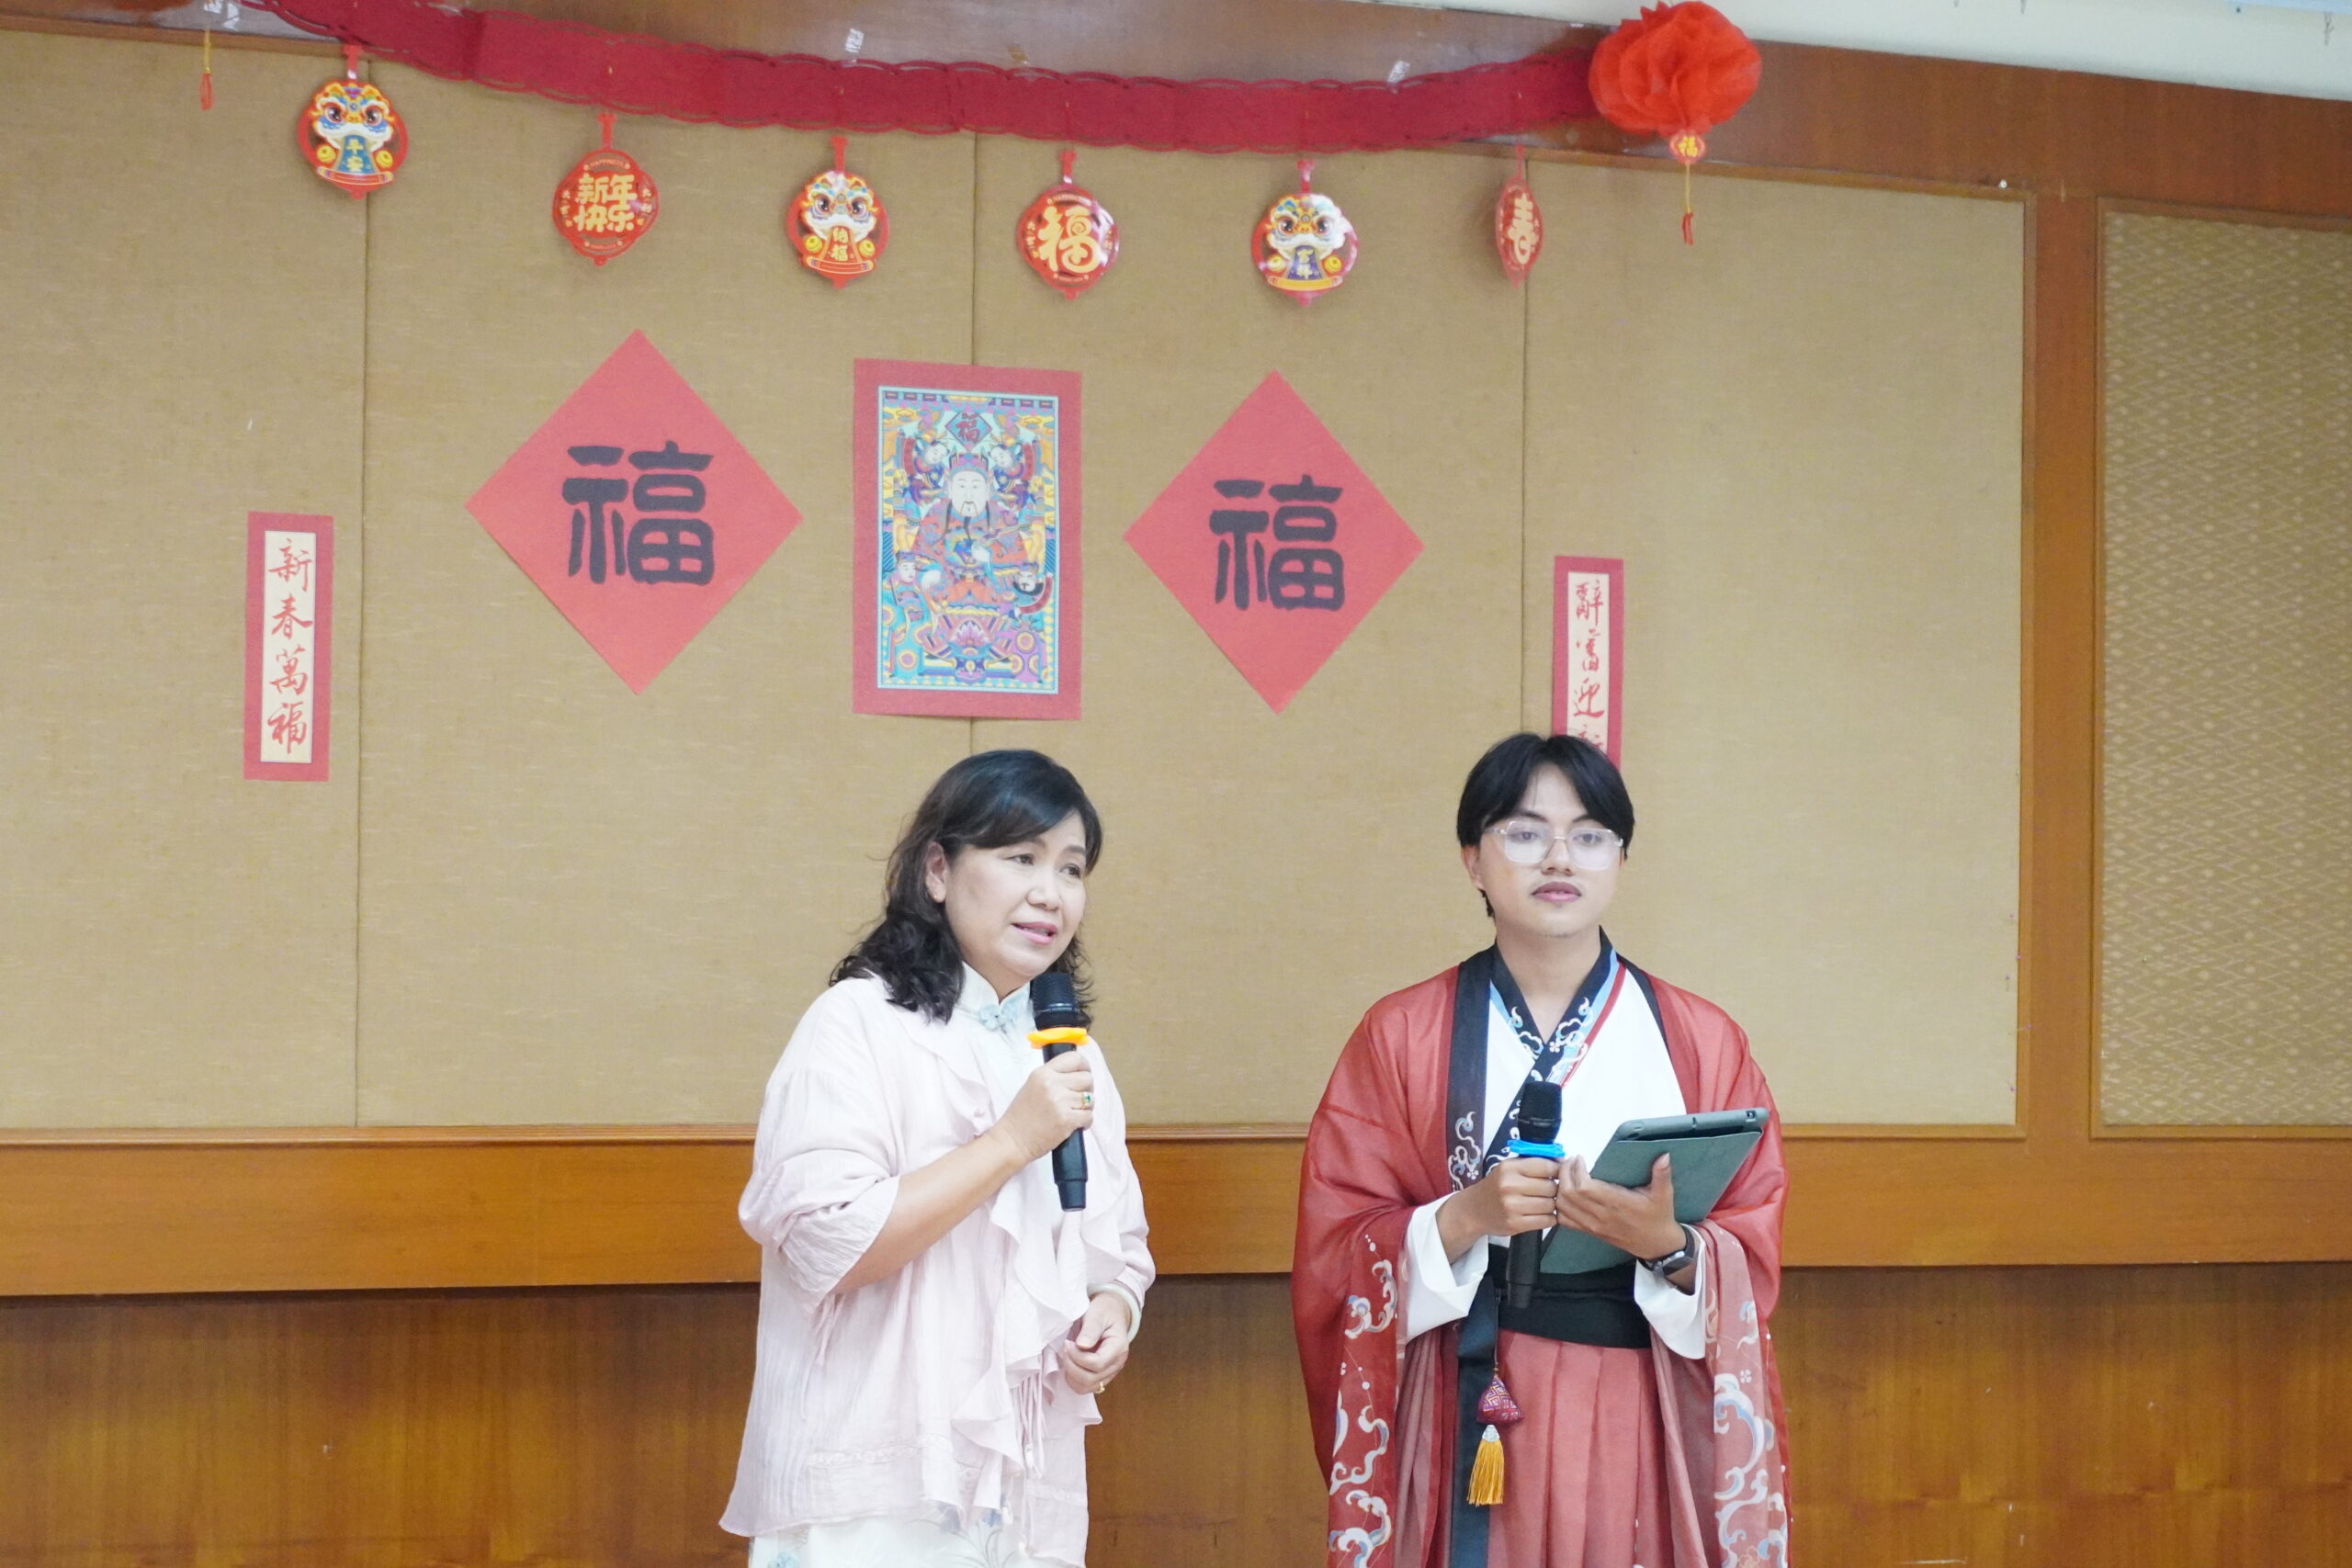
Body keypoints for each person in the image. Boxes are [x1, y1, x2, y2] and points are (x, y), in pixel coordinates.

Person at [1293, 733, 1790, 1568]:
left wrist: (1668, 1245)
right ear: (1473, 859)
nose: (1560, 857)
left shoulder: (1701, 1038)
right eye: (1525, 832)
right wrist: (1462, 1217)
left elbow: (1752, 1234)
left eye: (1590, 834)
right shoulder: (1402, 1032)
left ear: (1621, 859)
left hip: (1639, 1394)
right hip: (1465, 1390)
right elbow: (1337, 1240)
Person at [722, 750, 1153, 1568]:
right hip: (872, 1480)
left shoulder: (1071, 1053)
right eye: (1020, 857)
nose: (1050, 893)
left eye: (1071, 868)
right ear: (937, 870)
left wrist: (1113, 1312)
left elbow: (1120, 1247)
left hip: (1021, 1486)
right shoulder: (855, 1023)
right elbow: (824, 1243)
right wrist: (1010, 1142)